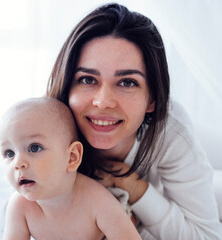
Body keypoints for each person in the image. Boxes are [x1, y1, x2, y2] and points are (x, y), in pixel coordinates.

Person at [46, 3, 222, 240]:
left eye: (127, 82)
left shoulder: (172, 132)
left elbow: (206, 236)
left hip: (177, 140)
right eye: (87, 79)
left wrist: (134, 186)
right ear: (67, 86)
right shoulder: (46, 125)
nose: (103, 102)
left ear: (152, 99)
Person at [0, 97, 141, 240]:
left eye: (34, 148)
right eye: (9, 153)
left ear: (72, 157)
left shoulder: (97, 201)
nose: (17, 163)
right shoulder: (19, 206)